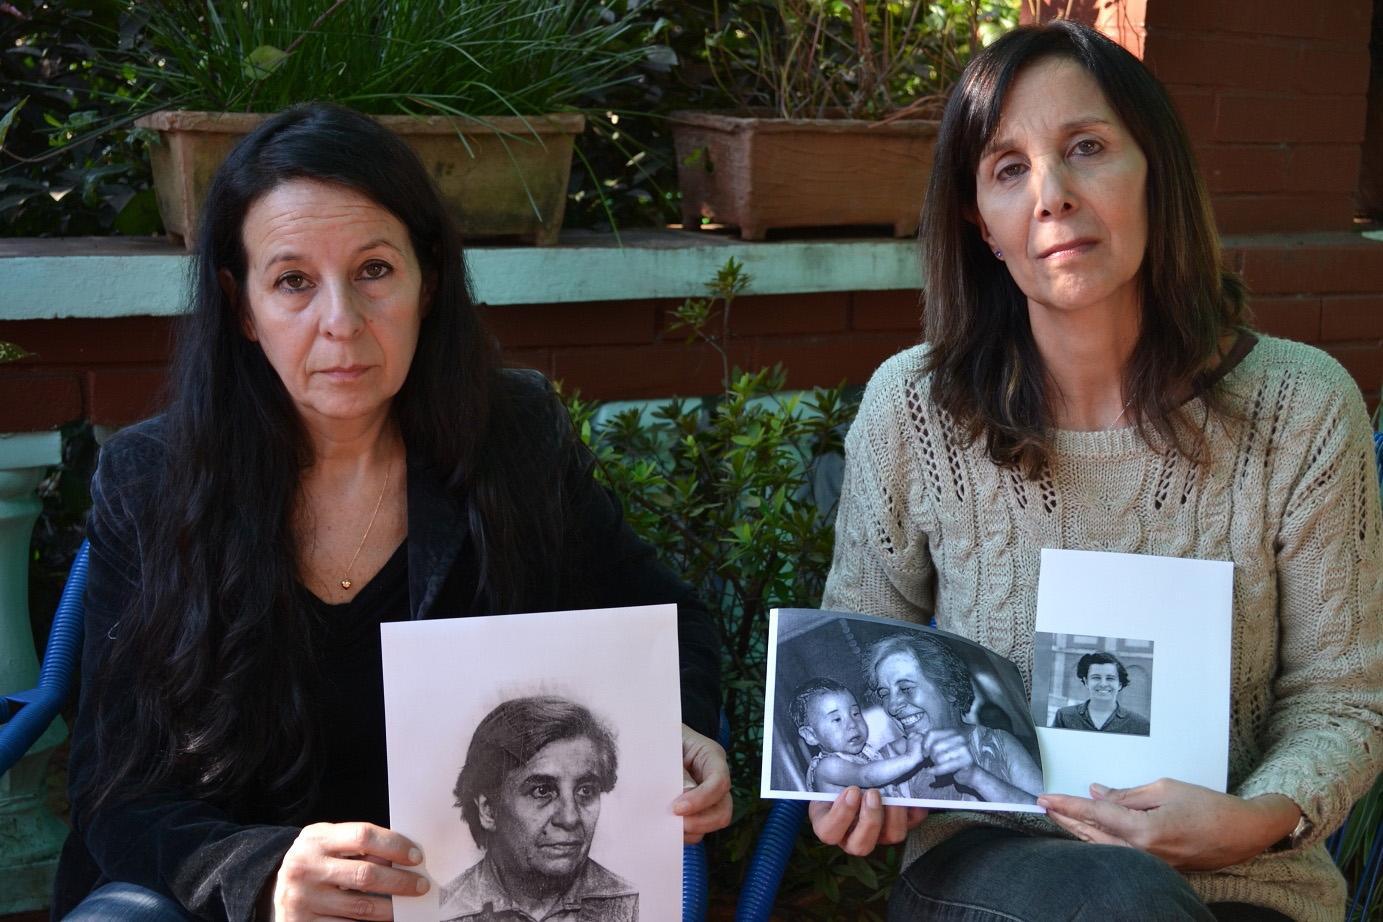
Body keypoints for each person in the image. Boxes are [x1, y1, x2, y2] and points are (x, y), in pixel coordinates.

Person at [55, 103, 731, 922]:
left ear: (427, 280)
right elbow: (117, 789)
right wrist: (262, 876)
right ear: (242, 308)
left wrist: (676, 728)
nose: (340, 323)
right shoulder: (152, 479)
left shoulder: (512, 438)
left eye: (373, 270)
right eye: (293, 281)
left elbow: (665, 620)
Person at [810, 20, 1382, 922]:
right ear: (979, 222)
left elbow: (1342, 700)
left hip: (1246, 880)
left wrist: (1254, 820)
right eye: (1008, 169)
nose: (1052, 196)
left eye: (1086, 148)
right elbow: (856, 650)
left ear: (1155, 169)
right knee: (1123, 897)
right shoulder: (915, 409)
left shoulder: (1301, 407)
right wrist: (856, 787)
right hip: (988, 866)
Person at [441, 697, 637, 922]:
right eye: (542, 791)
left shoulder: (634, 908)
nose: (570, 818)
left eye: (585, 791)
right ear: (488, 810)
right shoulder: (436, 914)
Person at [865, 635, 1041, 805]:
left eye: (905, 688)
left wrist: (976, 776)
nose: (892, 706)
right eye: (885, 694)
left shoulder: (998, 744)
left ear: (949, 689)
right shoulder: (878, 764)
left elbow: (1048, 816)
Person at [788, 677, 926, 794]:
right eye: (837, 719)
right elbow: (867, 776)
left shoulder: (864, 754)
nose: (852, 724)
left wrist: (917, 737)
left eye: (855, 713)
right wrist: (910, 757)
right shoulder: (826, 767)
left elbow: (889, 751)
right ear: (811, 735)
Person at [1051, 651, 1150, 735]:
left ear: (1120, 684)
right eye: (1096, 677)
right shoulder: (1064, 716)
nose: (1103, 684)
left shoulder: (1139, 724)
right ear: (1086, 682)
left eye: (1110, 678)